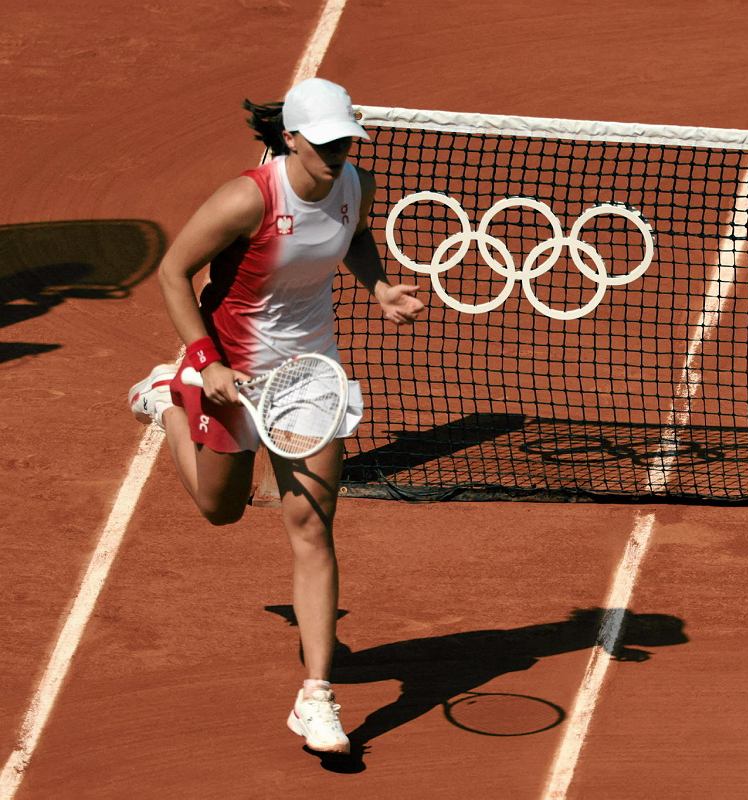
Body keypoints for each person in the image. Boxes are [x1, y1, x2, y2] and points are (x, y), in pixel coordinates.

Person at [127, 77, 424, 754]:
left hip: (309, 378)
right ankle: (166, 402)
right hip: (229, 372)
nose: (338, 152)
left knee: (311, 528)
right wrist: (204, 362)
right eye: (324, 143)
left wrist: (379, 287)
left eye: (346, 140)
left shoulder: (355, 185)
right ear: (290, 139)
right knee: (219, 510)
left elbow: (353, 238)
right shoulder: (248, 198)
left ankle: (316, 697)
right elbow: (174, 272)